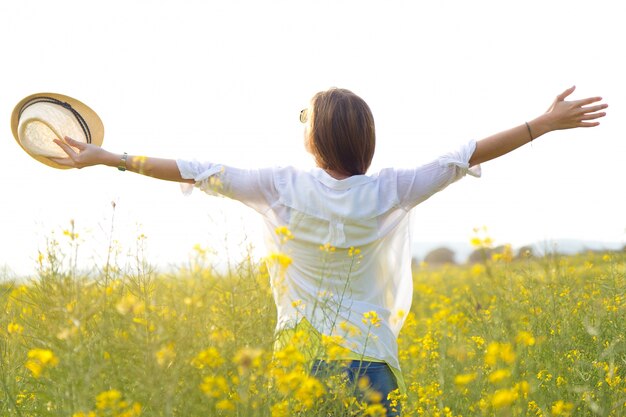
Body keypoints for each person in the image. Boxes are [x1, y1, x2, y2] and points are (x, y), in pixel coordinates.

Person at [52, 86, 607, 416]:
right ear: (365, 141)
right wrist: (546, 123)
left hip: (299, 363)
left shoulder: (277, 187)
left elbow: (193, 170)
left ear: (314, 141)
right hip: (371, 362)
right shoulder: (391, 189)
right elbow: (464, 155)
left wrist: (107, 157)